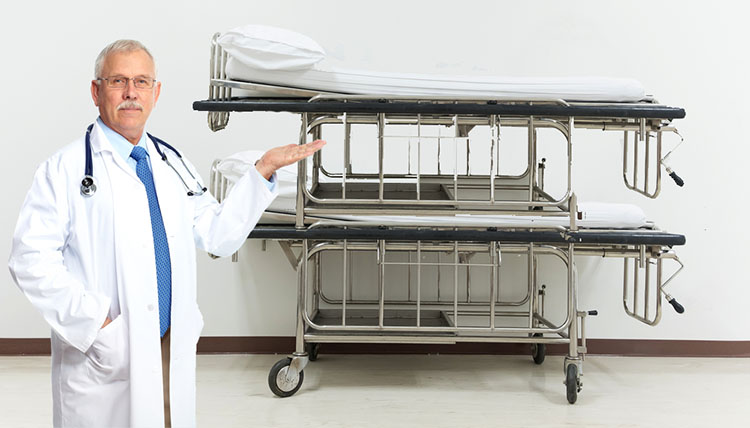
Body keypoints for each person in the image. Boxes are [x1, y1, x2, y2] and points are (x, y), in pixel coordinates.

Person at [8, 39, 324, 428]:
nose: (131, 92)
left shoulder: (171, 162)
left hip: (170, 340)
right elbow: (30, 260)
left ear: (155, 93)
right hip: (106, 348)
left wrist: (262, 171)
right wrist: (95, 324)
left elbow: (217, 234)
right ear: (96, 91)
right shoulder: (64, 169)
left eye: (141, 82)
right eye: (118, 81)